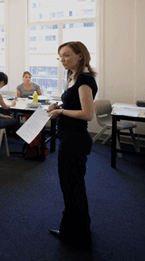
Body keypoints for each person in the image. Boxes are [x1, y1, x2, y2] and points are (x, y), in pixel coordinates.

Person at [48, 42, 97, 249]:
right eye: (60, 56)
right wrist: (59, 106)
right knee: (71, 185)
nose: (63, 59)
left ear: (80, 56)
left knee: (72, 186)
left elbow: (88, 113)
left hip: (74, 139)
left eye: (67, 55)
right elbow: (74, 104)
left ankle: (78, 235)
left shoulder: (84, 80)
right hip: (68, 136)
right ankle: (75, 229)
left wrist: (60, 112)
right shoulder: (72, 76)